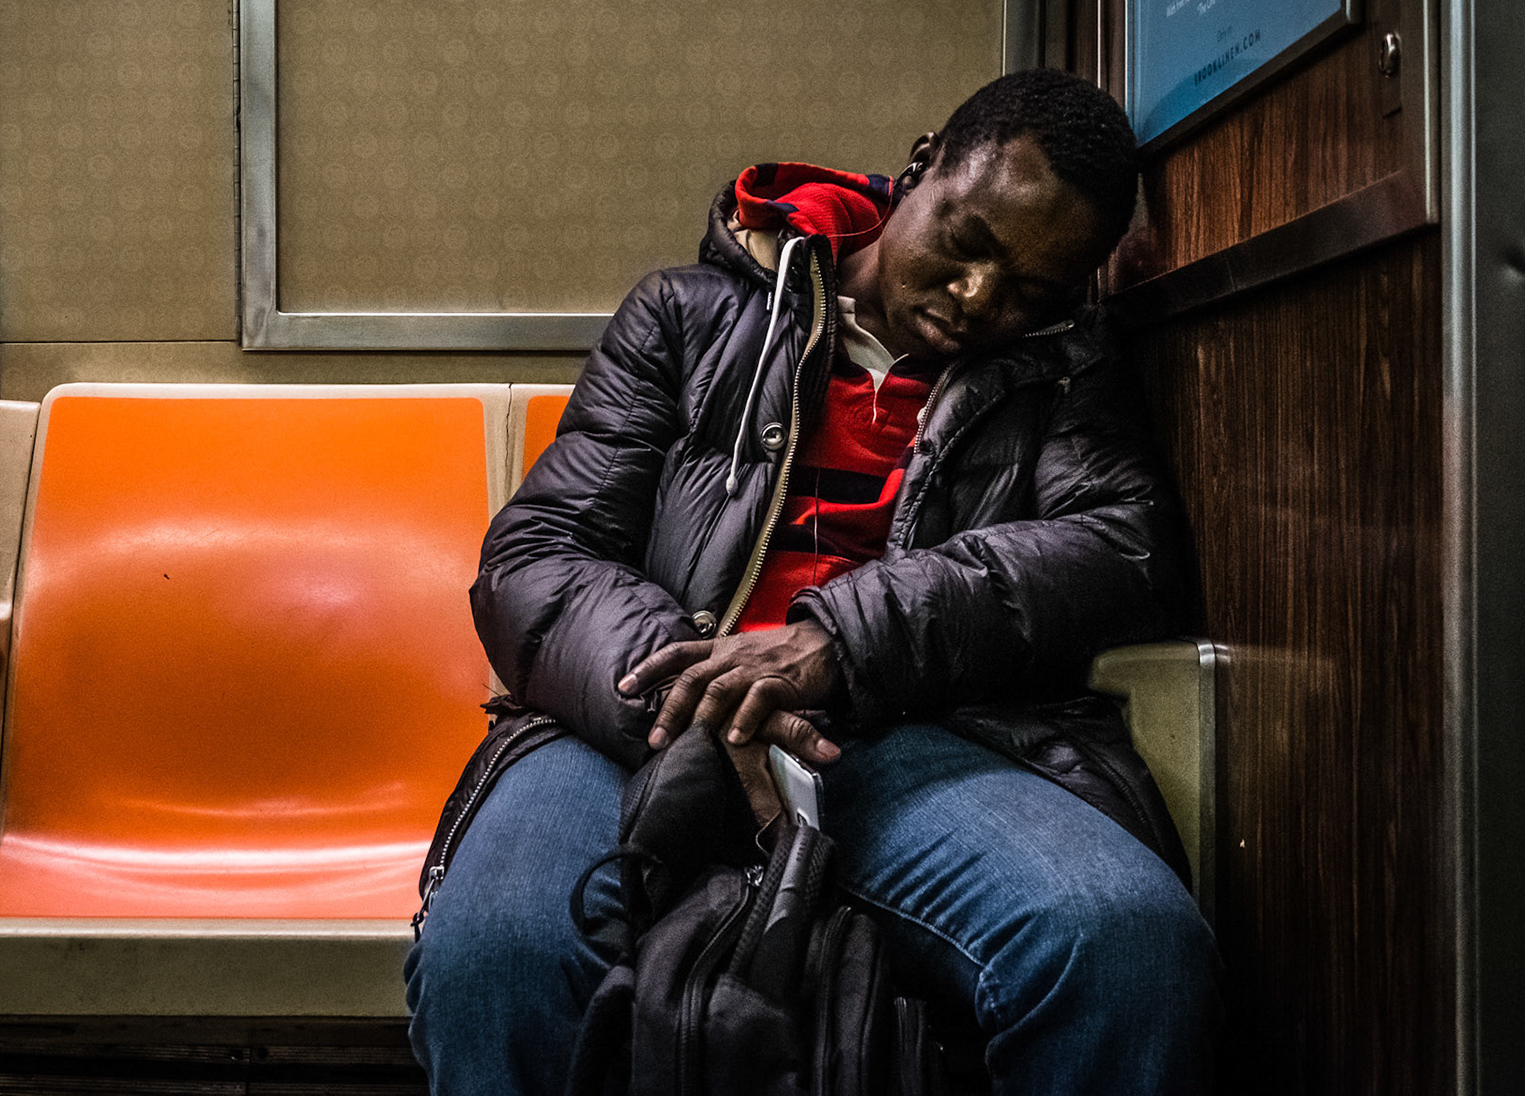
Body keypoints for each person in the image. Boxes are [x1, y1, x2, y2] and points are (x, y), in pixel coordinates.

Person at [405, 70, 1218, 1094]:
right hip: (630, 718)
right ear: (922, 166)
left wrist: (840, 643)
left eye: (1031, 289)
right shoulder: (685, 317)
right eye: (967, 242)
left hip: (914, 730)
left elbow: (1121, 548)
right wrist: (692, 690)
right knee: (499, 955)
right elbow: (538, 554)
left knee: (1127, 942)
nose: (980, 299)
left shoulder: (1061, 366)